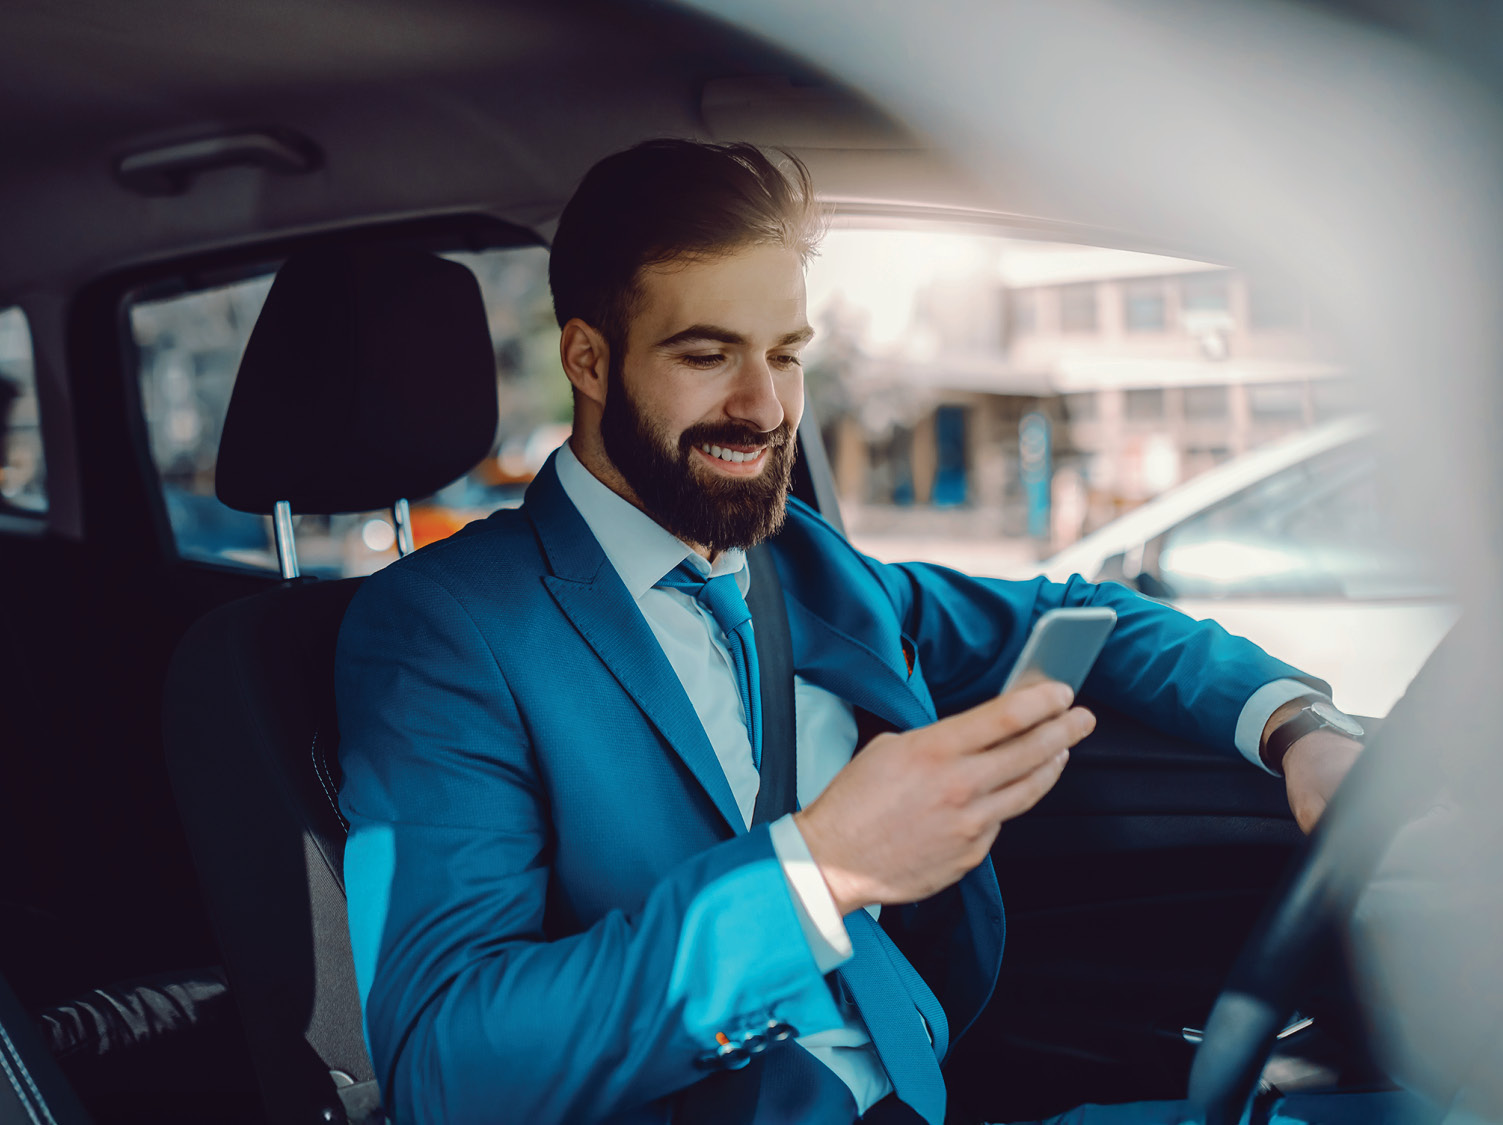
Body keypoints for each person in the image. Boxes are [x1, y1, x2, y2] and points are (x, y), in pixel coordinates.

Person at [334, 140, 1365, 1125]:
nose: (765, 405)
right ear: (590, 360)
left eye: (785, 354)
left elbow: (1084, 619)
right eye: (708, 355)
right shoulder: (444, 631)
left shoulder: (805, 569)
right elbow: (446, 1070)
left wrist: (1298, 728)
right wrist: (819, 873)